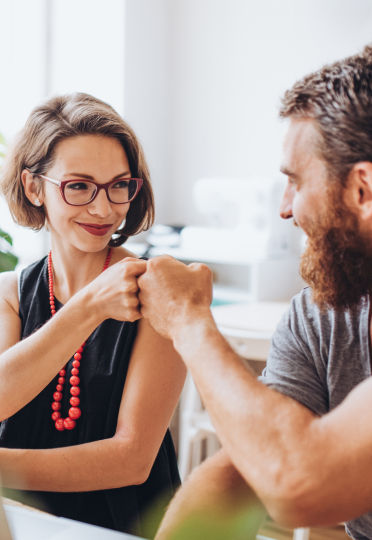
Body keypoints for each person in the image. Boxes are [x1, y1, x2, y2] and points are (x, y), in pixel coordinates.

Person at [137, 44, 372, 540]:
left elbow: (299, 482)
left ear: (362, 189)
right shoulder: (319, 316)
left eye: (295, 181)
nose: (285, 209)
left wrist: (187, 321)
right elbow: (245, 470)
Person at [0, 92, 186, 537]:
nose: (104, 209)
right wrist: (89, 307)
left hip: (122, 526)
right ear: (34, 187)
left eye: (119, 185)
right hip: (17, 521)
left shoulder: (158, 291)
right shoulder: (6, 294)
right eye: (79, 186)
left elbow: (130, 460)